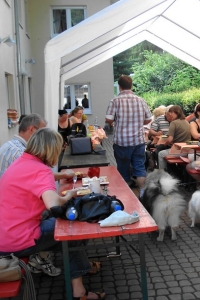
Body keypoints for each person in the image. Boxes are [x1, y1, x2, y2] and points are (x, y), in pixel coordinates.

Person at [0, 128, 105, 299]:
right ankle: (79, 291)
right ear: (52, 149)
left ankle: (81, 265)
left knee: (65, 229)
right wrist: (70, 195)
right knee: (73, 230)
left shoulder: (22, 162)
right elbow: (54, 205)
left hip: (4, 234)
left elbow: (39, 178)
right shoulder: (41, 170)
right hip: (17, 240)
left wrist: (61, 176)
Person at [105, 75, 152, 196]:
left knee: (123, 168)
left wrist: (115, 122)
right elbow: (148, 119)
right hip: (138, 141)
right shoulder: (141, 100)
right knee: (140, 168)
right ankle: (142, 193)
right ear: (131, 86)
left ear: (119, 87)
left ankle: (126, 196)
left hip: (122, 142)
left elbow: (108, 119)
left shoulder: (115, 101)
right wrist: (137, 122)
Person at [158, 105, 191, 170]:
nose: (170, 114)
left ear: (177, 112)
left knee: (160, 153)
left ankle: (162, 175)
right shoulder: (186, 122)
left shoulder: (173, 123)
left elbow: (170, 140)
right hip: (188, 150)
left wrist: (164, 144)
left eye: (171, 112)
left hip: (177, 150)